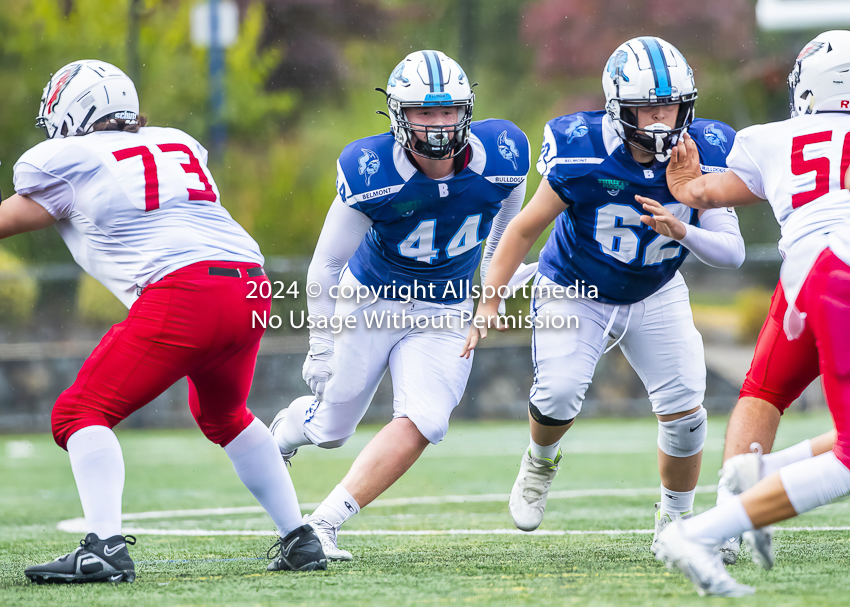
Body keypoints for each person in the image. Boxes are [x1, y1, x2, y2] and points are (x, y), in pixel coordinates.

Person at [13, 60, 325, 584]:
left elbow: (21, 212)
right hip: (250, 286)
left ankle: (104, 549)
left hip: (186, 291)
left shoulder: (70, 160)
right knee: (226, 415)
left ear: (71, 111)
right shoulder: (175, 143)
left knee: (78, 413)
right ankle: (300, 537)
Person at [461, 36, 745, 550]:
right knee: (559, 392)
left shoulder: (707, 148)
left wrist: (684, 229)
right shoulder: (582, 147)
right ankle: (539, 462)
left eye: (671, 105)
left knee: (686, 408)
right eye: (647, 107)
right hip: (575, 285)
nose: (662, 119)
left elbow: (731, 252)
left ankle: (675, 522)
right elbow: (523, 229)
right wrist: (490, 299)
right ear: (617, 109)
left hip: (655, 288)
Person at [270, 50, 530, 560]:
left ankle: (323, 525)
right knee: (330, 430)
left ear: (467, 110)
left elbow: (508, 229)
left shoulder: (504, 152)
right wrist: (321, 344)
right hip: (369, 300)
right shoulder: (370, 169)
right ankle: (283, 432)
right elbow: (325, 265)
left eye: (448, 111)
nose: (437, 124)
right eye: (423, 112)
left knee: (427, 419)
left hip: (446, 309)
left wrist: (492, 290)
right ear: (397, 114)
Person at [654, 30, 850, 597]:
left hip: (805, 280)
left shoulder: (772, 138)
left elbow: (710, 193)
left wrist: (689, 188)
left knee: (764, 393)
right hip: (840, 277)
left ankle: (751, 479)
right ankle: (706, 530)